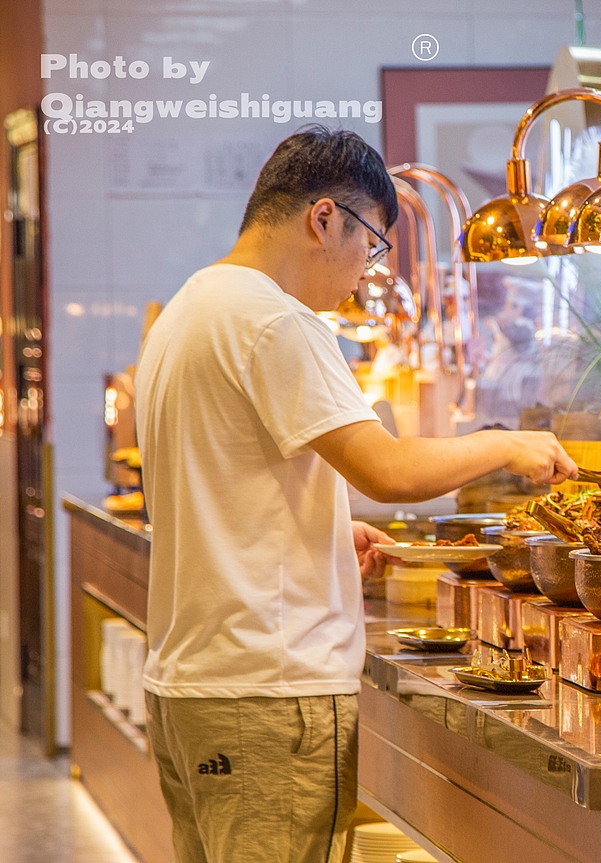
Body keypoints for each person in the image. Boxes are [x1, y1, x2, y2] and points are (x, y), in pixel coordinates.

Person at [134, 125, 576, 863]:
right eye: (371, 247)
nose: (363, 275)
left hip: (194, 687)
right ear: (324, 218)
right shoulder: (276, 321)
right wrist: (506, 444)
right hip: (267, 695)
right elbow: (388, 471)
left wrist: (318, 538)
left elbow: (215, 485)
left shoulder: (192, 306)